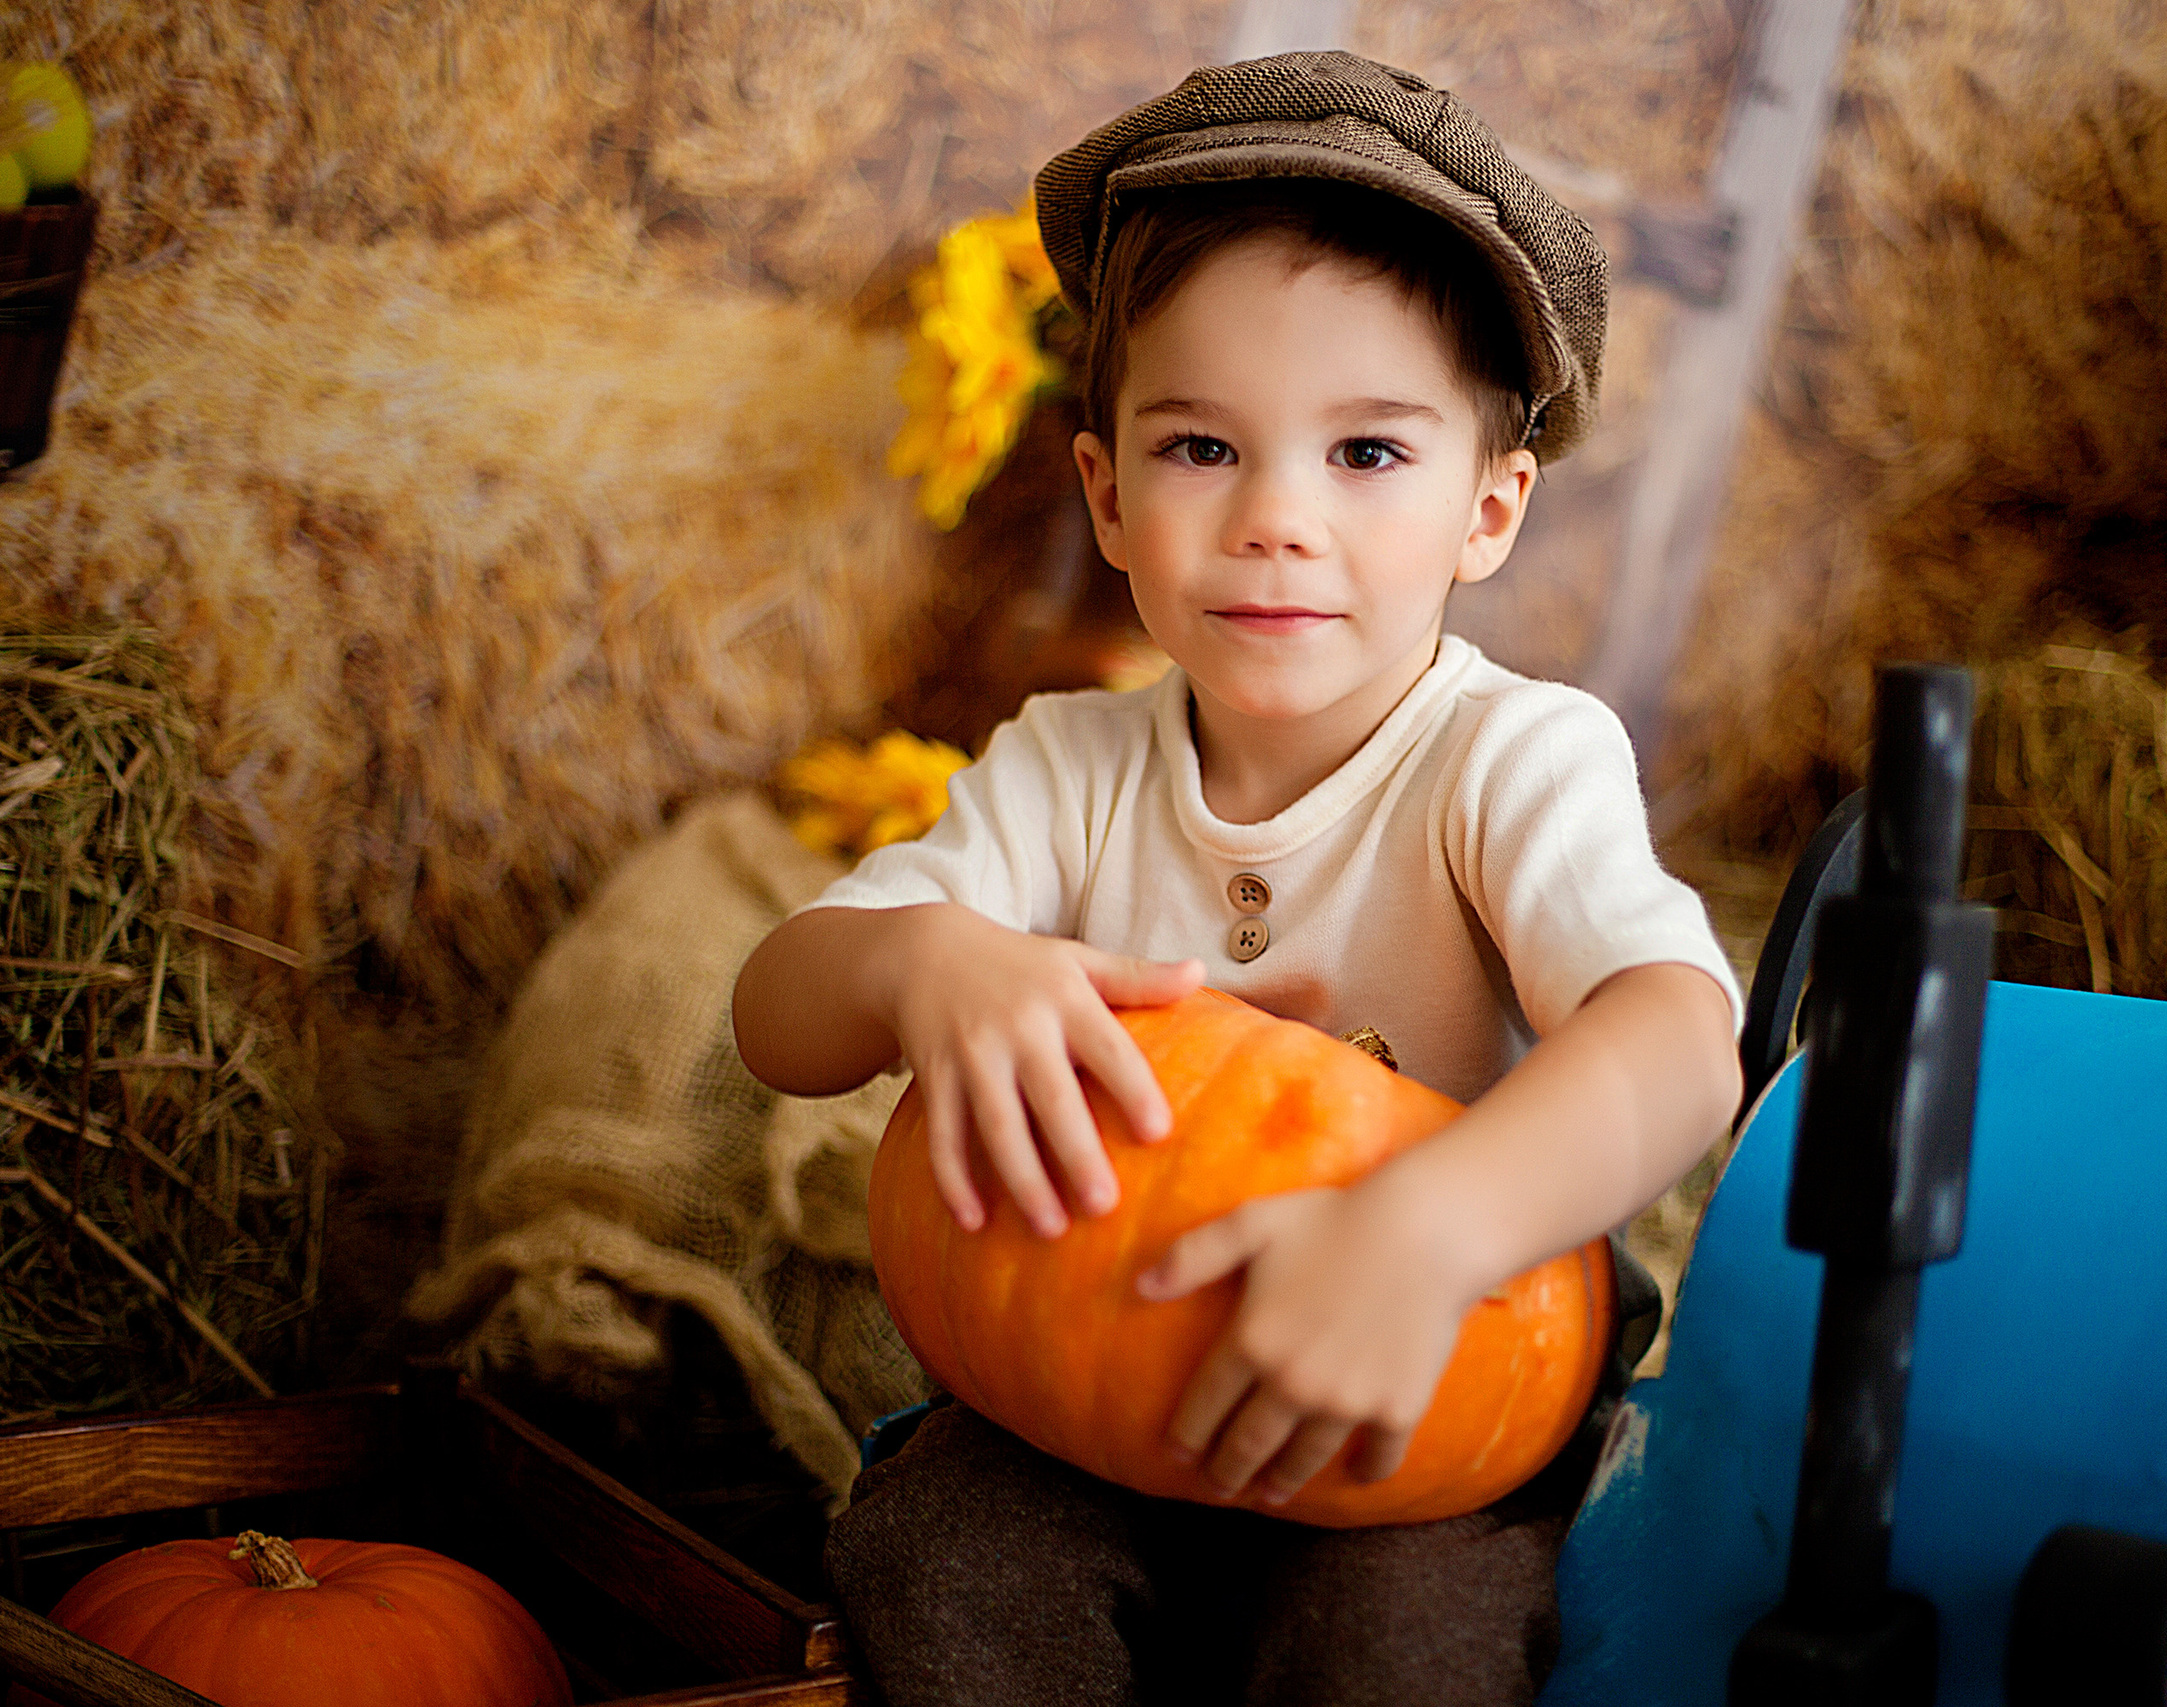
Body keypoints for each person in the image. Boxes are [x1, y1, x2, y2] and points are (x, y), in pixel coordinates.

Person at [731, 49, 1745, 1707]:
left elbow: (1677, 1041)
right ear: (1106, 495)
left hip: (1417, 1409)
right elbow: (780, 1016)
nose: (1276, 519)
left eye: (1365, 457)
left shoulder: (1510, 763)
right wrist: (924, 968)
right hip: (1085, 1397)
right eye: (1202, 448)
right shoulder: (1068, 770)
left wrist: (1433, 1227)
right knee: (938, 1560)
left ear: (1489, 513)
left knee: (1395, 1651)